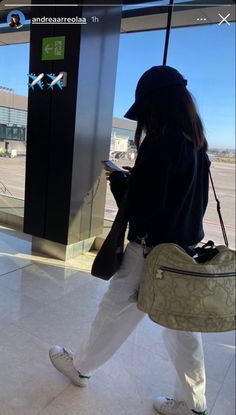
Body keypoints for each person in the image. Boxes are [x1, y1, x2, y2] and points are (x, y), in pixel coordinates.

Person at [49, 66, 209, 415]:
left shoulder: (161, 140)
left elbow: (142, 209)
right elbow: (184, 198)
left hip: (149, 252)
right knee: (182, 331)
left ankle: (80, 368)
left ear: (156, 104)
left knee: (114, 312)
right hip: (183, 252)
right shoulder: (196, 143)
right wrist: (140, 179)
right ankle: (192, 405)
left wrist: (121, 183)